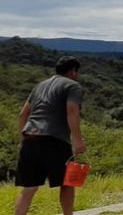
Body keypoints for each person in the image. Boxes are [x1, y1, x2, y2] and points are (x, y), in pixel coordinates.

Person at [15, 56, 86, 215]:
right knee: (67, 183)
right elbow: (72, 111)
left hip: (30, 139)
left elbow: (22, 114)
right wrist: (77, 141)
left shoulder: (40, 86)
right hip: (55, 140)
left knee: (29, 188)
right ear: (73, 70)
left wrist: (22, 140)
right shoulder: (73, 86)